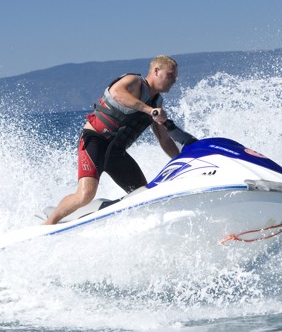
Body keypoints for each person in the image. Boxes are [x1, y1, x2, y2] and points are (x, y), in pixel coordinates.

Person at [43, 55, 197, 225]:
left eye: (175, 77)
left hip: (116, 153)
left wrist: (183, 162)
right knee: (85, 195)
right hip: (95, 141)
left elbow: (164, 140)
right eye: (170, 75)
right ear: (156, 71)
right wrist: (149, 110)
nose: (174, 80)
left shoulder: (157, 103)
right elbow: (117, 93)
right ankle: (49, 223)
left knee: (143, 194)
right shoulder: (134, 82)